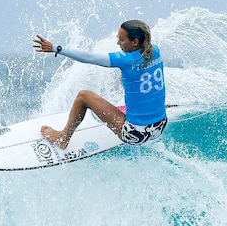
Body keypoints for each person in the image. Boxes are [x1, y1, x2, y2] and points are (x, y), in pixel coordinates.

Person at [33, 19, 167, 149]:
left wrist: (55, 48)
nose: (118, 43)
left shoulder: (126, 60)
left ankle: (63, 138)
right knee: (129, 79)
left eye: (122, 40)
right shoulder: (155, 51)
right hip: (159, 126)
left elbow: (89, 57)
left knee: (83, 96)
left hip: (135, 133)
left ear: (135, 42)